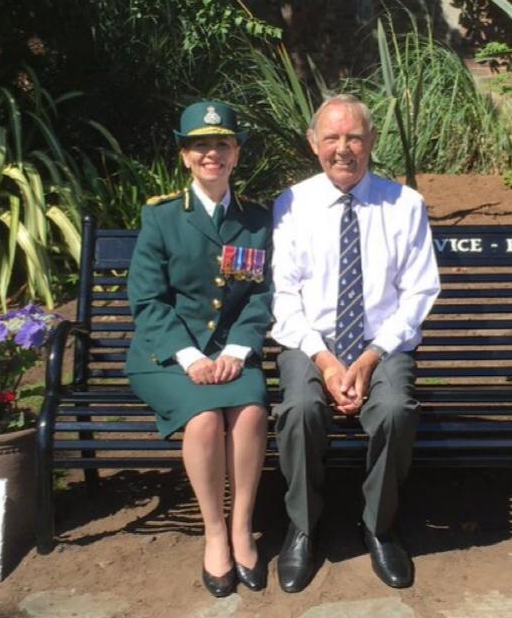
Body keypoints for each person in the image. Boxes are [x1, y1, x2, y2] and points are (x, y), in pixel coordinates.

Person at [270, 94, 441, 591]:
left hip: (381, 343)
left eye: (354, 137)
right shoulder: (292, 204)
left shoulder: (404, 205)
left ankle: (379, 526)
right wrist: (324, 360)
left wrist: (368, 358)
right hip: (311, 342)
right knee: (299, 410)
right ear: (313, 143)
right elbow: (283, 295)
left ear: (371, 142)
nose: (342, 149)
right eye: (331, 138)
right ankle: (302, 526)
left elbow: (418, 291)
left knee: (394, 410)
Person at [124, 101, 272, 598]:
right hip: (166, 357)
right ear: (185, 155)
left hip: (232, 353)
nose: (212, 154)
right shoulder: (162, 217)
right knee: (206, 420)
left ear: (236, 153)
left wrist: (236, 349)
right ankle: (213, 532)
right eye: (200, 145)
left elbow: (261, 295)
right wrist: (191, 357)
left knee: (250, 413)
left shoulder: (256, 220)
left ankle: (241, 526)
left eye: (222, 144)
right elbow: (147, 300)